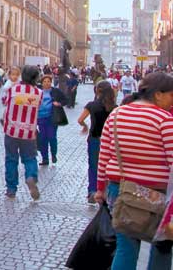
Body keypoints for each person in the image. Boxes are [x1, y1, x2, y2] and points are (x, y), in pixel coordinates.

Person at [95, 72, 173, 269]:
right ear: (158, 95)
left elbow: (103, 156)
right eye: (171, 95)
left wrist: (100, 188)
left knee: (126, 248)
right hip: (156, 195)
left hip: (120, 190)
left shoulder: (116, 114)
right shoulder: (165, 119)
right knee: (162, 247)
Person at [1, 65, 42, 200]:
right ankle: (31, 176)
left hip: (12, 130)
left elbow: (4, 102)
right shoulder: (38, 93)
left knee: (11, 159)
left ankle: (11, 189)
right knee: (30, 158)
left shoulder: (13, 90)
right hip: (29, 132)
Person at [77, 80, 116, 203]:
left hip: (94, 138)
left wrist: (84, 126)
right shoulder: (115, 107)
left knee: (93, 166)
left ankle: (92, 191)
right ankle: (105, 191)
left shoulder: (91, 105)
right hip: (109, 141)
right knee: (107, 166)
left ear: (97, 91)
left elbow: (80, 119)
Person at [37, 74, 66, 166]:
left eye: (48, 81)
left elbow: (65, 100)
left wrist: (59, 103)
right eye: (44, 82)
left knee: (52, 137)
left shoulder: (55, 91)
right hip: (40, 118)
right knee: (43, 139)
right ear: (41, 83)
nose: (46, 83)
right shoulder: (38, 91)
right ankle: (45, 158)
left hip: (52, 118)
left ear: (51, 82)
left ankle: (53, 155)